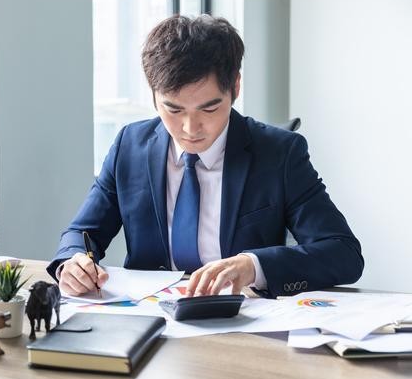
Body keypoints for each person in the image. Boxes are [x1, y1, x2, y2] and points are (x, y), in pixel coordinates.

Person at [46, 15, 363, 299]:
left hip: (243, 323)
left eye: (209, 108)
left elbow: (343, 254)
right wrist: (72, 263)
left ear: (235, 86)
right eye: (173, 108)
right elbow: (82, 233)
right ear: (153, 93)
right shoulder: (130, 145)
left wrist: (253, 265)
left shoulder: (279, 153)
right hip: (150, 318)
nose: (190, 128)